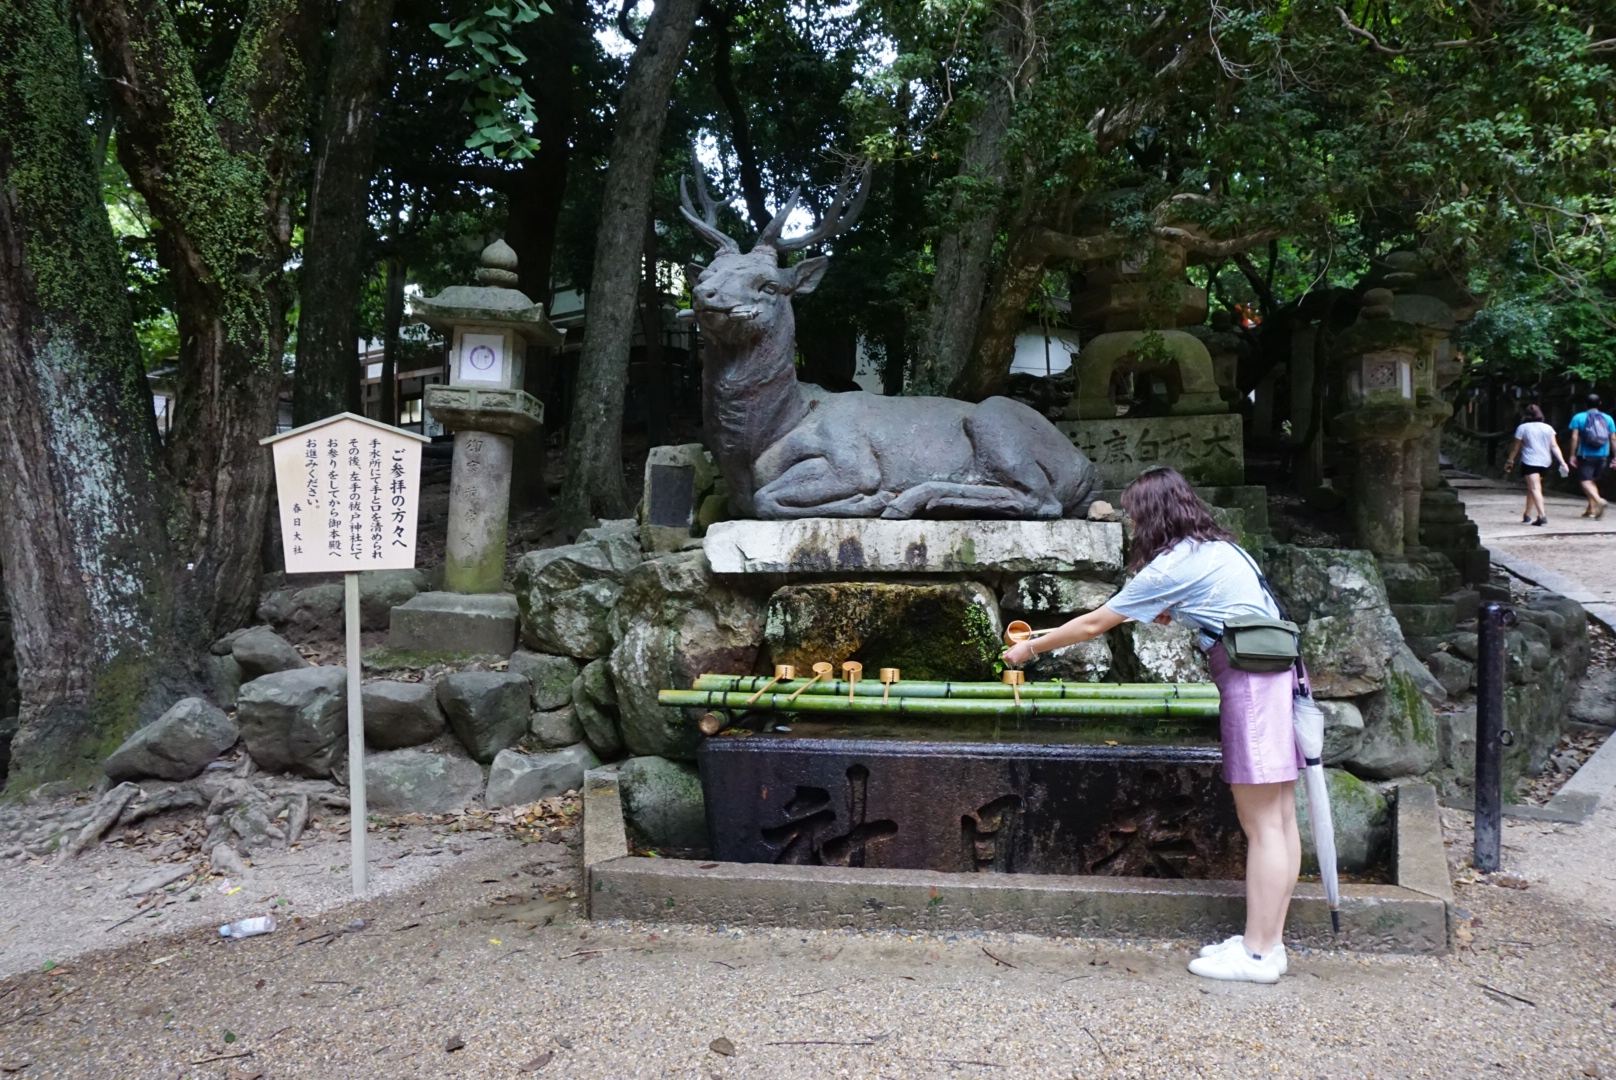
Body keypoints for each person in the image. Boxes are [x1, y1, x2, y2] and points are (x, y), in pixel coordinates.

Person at [1001, 466, 1300, 984]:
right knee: (1281, 822)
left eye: (1134, 515)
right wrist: (1177, 614)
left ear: (1152, 516)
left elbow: (1094, 622)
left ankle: (1255, 956)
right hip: (1277, 675)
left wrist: (1029, 647)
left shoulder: (1171, 567)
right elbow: (1219, 607)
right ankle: (1267, 944)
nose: (1131, 524)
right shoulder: (1218, 549)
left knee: (1263, 826)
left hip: (1251, 685)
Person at [1503, 404, 1567, 526]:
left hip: (1530, 461)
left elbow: (1515, 448)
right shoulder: (1548, 428)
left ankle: (1542, 516)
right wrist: (1562, 462)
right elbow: (1554, 446)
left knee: (1535, 488)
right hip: (1545, 462)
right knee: (1532, 488)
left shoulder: (1522, 428)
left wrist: (1510, 461)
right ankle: (1527, 514)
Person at [1568, 393, 1611, 520]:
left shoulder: (1579, 417)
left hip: (1586, 455)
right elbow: (1613, 438)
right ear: (1600, 404)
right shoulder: (1608, 418)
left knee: (1585, 481)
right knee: (1591, 481)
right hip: (1603, 455)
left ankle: (1599, 500)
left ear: (1585, 404)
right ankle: (1591, 510)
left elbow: (1574, 437)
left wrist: (1572, 455)